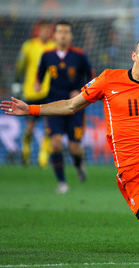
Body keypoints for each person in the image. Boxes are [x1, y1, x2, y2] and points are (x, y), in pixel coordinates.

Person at [0, 25, 139, 246]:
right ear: (134, 56)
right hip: (130, 171)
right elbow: (71, 106)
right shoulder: (108, 80)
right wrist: (30, 109)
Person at [35, 20, 95, 194]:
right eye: (60, 31)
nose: (63, 34)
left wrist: (80, 90)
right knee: (55, 144)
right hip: (54, 105)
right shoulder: (47, 55)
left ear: (71, 36)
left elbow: (91, 78)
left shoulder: (80, 55)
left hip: (75, 105)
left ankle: (78, 164)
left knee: (74, 147)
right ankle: (62, 182)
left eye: (66, 32)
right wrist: (37, 84)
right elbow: (40, 75)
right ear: (54, 35)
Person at [14, 19, 56, 167]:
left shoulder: (53, 46)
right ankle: (25, 152)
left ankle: (43, 158)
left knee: (48, 125)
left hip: (48, 92)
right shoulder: (29, 46)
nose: (45, 31)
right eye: (43, 28)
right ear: (38, 30)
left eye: (48, 28)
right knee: (30, 127)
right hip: (31, 92)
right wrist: (17, 83)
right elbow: (20, 67)